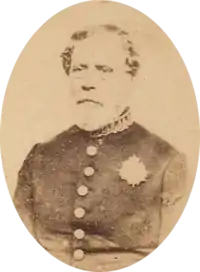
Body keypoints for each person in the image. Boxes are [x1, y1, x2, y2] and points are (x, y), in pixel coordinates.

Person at [13, 24, 187, 264]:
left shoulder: (165, 162)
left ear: (130, 80)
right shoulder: (41, 157)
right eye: (79, 69)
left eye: (104, 70)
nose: (88, 82)